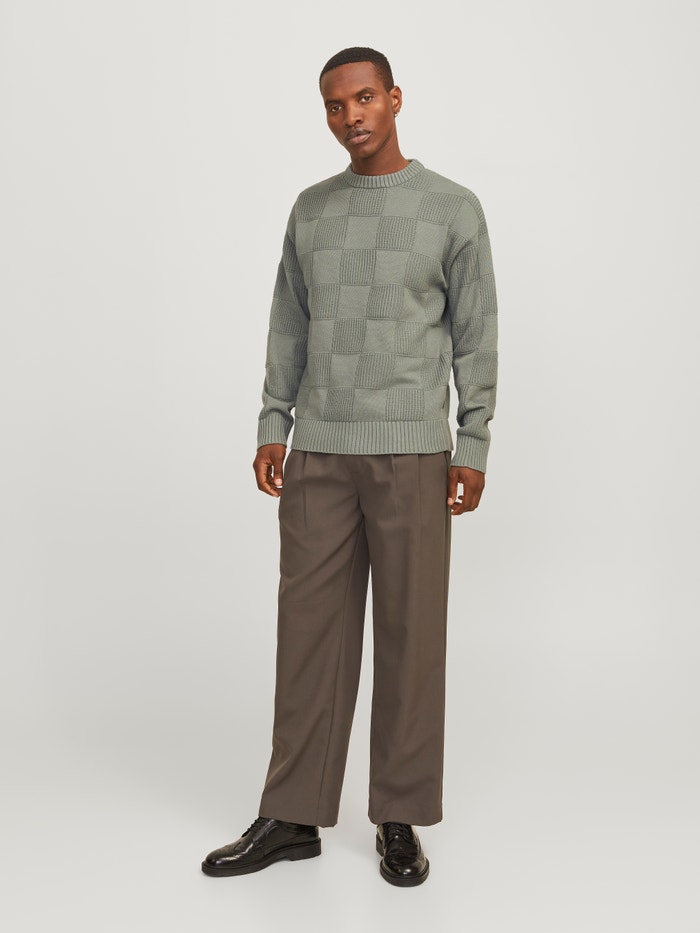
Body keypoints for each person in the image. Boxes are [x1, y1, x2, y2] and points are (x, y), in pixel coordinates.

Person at [201, 46, 498, 887]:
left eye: (364, 98)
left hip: (411, 451)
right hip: (321, 450)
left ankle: (398, 816)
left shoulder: (451, 207)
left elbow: (476, 331)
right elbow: (288, 323)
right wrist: (274, 420)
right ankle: (293, 814)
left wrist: (473, 441)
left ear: (395, 98)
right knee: (308, 635)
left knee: (410, 636)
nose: (351, 116)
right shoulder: (312, 210)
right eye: (335, 105)